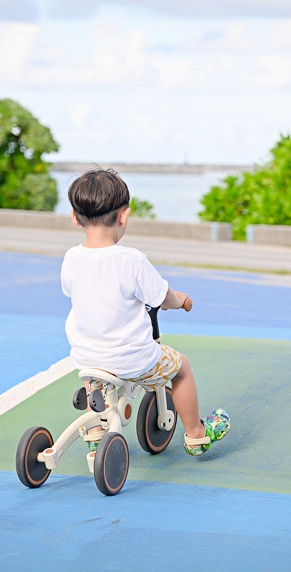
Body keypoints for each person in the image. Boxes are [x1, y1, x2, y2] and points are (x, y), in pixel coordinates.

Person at [60, 168, 230, 456]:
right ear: (123, 216)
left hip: (86, 356)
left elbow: (72, 291)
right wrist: (181, 301)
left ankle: (96, 429)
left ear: (75, 217)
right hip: (133, 358)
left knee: (96, 376)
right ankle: (196, 435)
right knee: (181, 368)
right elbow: (162, 296)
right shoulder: (131, 260)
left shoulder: (72, 258)